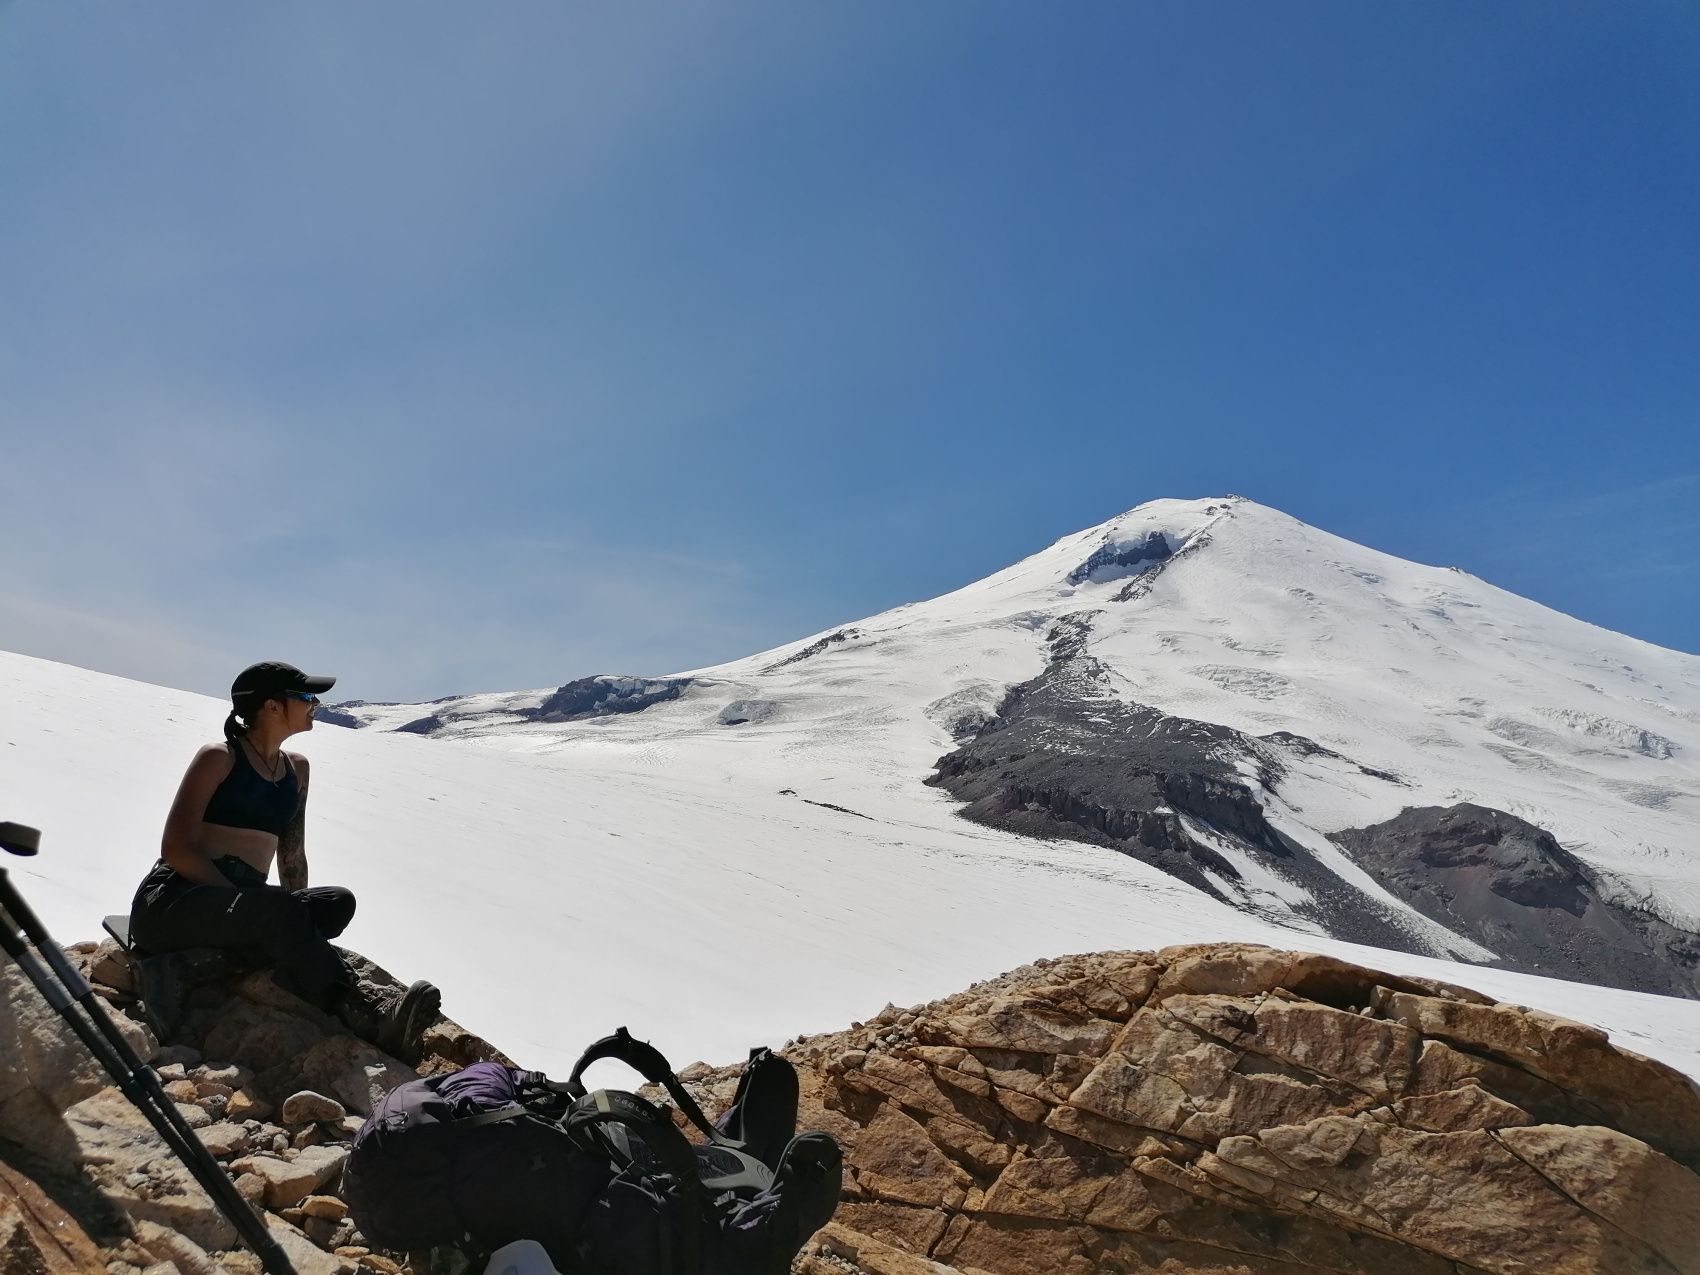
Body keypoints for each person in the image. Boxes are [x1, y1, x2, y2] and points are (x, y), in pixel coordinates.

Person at [129, 660, 439, 1059]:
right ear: (272, 706)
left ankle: (184, 967)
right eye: (306, 696)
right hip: (176, 899)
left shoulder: (297, 769)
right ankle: (369, 1015)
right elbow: (176, 848)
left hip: (239, 905)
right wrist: (253, 903)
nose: (315, 704)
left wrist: (294, 911)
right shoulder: (219, 758)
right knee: (277, 914)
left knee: (336, 902)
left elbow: (292, 855)